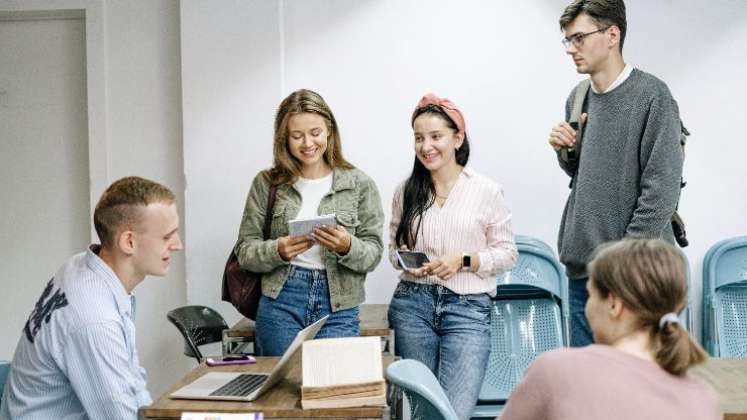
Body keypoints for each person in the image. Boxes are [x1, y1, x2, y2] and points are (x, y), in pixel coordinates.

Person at [548, 0, 685, 346]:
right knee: (590, 391)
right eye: (568, 40)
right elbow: (584, 174)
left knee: (639, 390)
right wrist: (565, 150)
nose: (571, 49)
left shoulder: (653, 96)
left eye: (578, 38)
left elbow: (661, 193)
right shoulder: (577, 97)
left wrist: (621, 265)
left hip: (633, 279)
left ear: (612, 35)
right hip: (583, 274)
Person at [0, 176, 183, 420]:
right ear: (129, 241)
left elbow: (132, 383)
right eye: (167, 237)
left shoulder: (81, 266)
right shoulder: (94, 319)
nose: (178, 245)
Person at [388, 93, 517, 420]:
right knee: (421, 412)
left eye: (435, 136)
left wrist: (464, 260)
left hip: (469, 309)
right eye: (419, 138)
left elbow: (507, 253)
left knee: (453, 413)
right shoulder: (406, 191)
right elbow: (393, 250)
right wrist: (406, 262)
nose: (426, 146)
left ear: (457, 138)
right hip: (412, 306)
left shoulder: (487, 190)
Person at [500, 239, 721, 420]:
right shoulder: (704, 400)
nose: (587, 307)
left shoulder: (556, 370)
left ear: (614, 304)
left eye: (591, 295)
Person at [235, 89, 384, 356]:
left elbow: (373, 254)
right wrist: (278, 250)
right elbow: (245, 252)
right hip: (281, 301)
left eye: (315, 132)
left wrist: (347, 245)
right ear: (284, 139)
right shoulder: (266, 184)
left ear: (329, 130)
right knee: (279, 392)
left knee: (331, 390)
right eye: (297, 136)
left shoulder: (359, 184)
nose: (307, 143)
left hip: (339, 304)